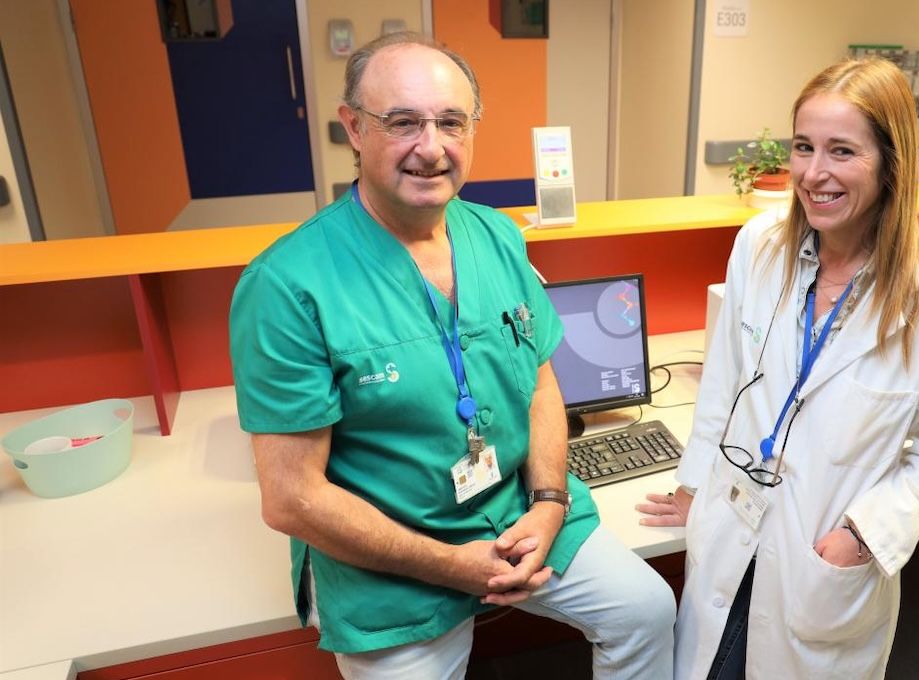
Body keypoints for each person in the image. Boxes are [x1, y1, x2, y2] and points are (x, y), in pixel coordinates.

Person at [229, 32, 675, 680]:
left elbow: (542, 383)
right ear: (352, 128)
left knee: (647, 611)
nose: (431, 148)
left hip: (520, 512)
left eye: (450, 122)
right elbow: (292, 499)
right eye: (403, 122)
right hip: (393, 556)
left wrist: (550, 501)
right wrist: (454, 564)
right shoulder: (287, 285)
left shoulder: (496, 233)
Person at [637, 57, 919, 679]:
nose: (814, 174)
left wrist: (864, 534)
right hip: (734, 518)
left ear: (890, 163)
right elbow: (725, 378)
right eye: (804, 147)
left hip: (820, 554)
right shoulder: (759, 245)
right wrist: (695, 485)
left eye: (842, 151)